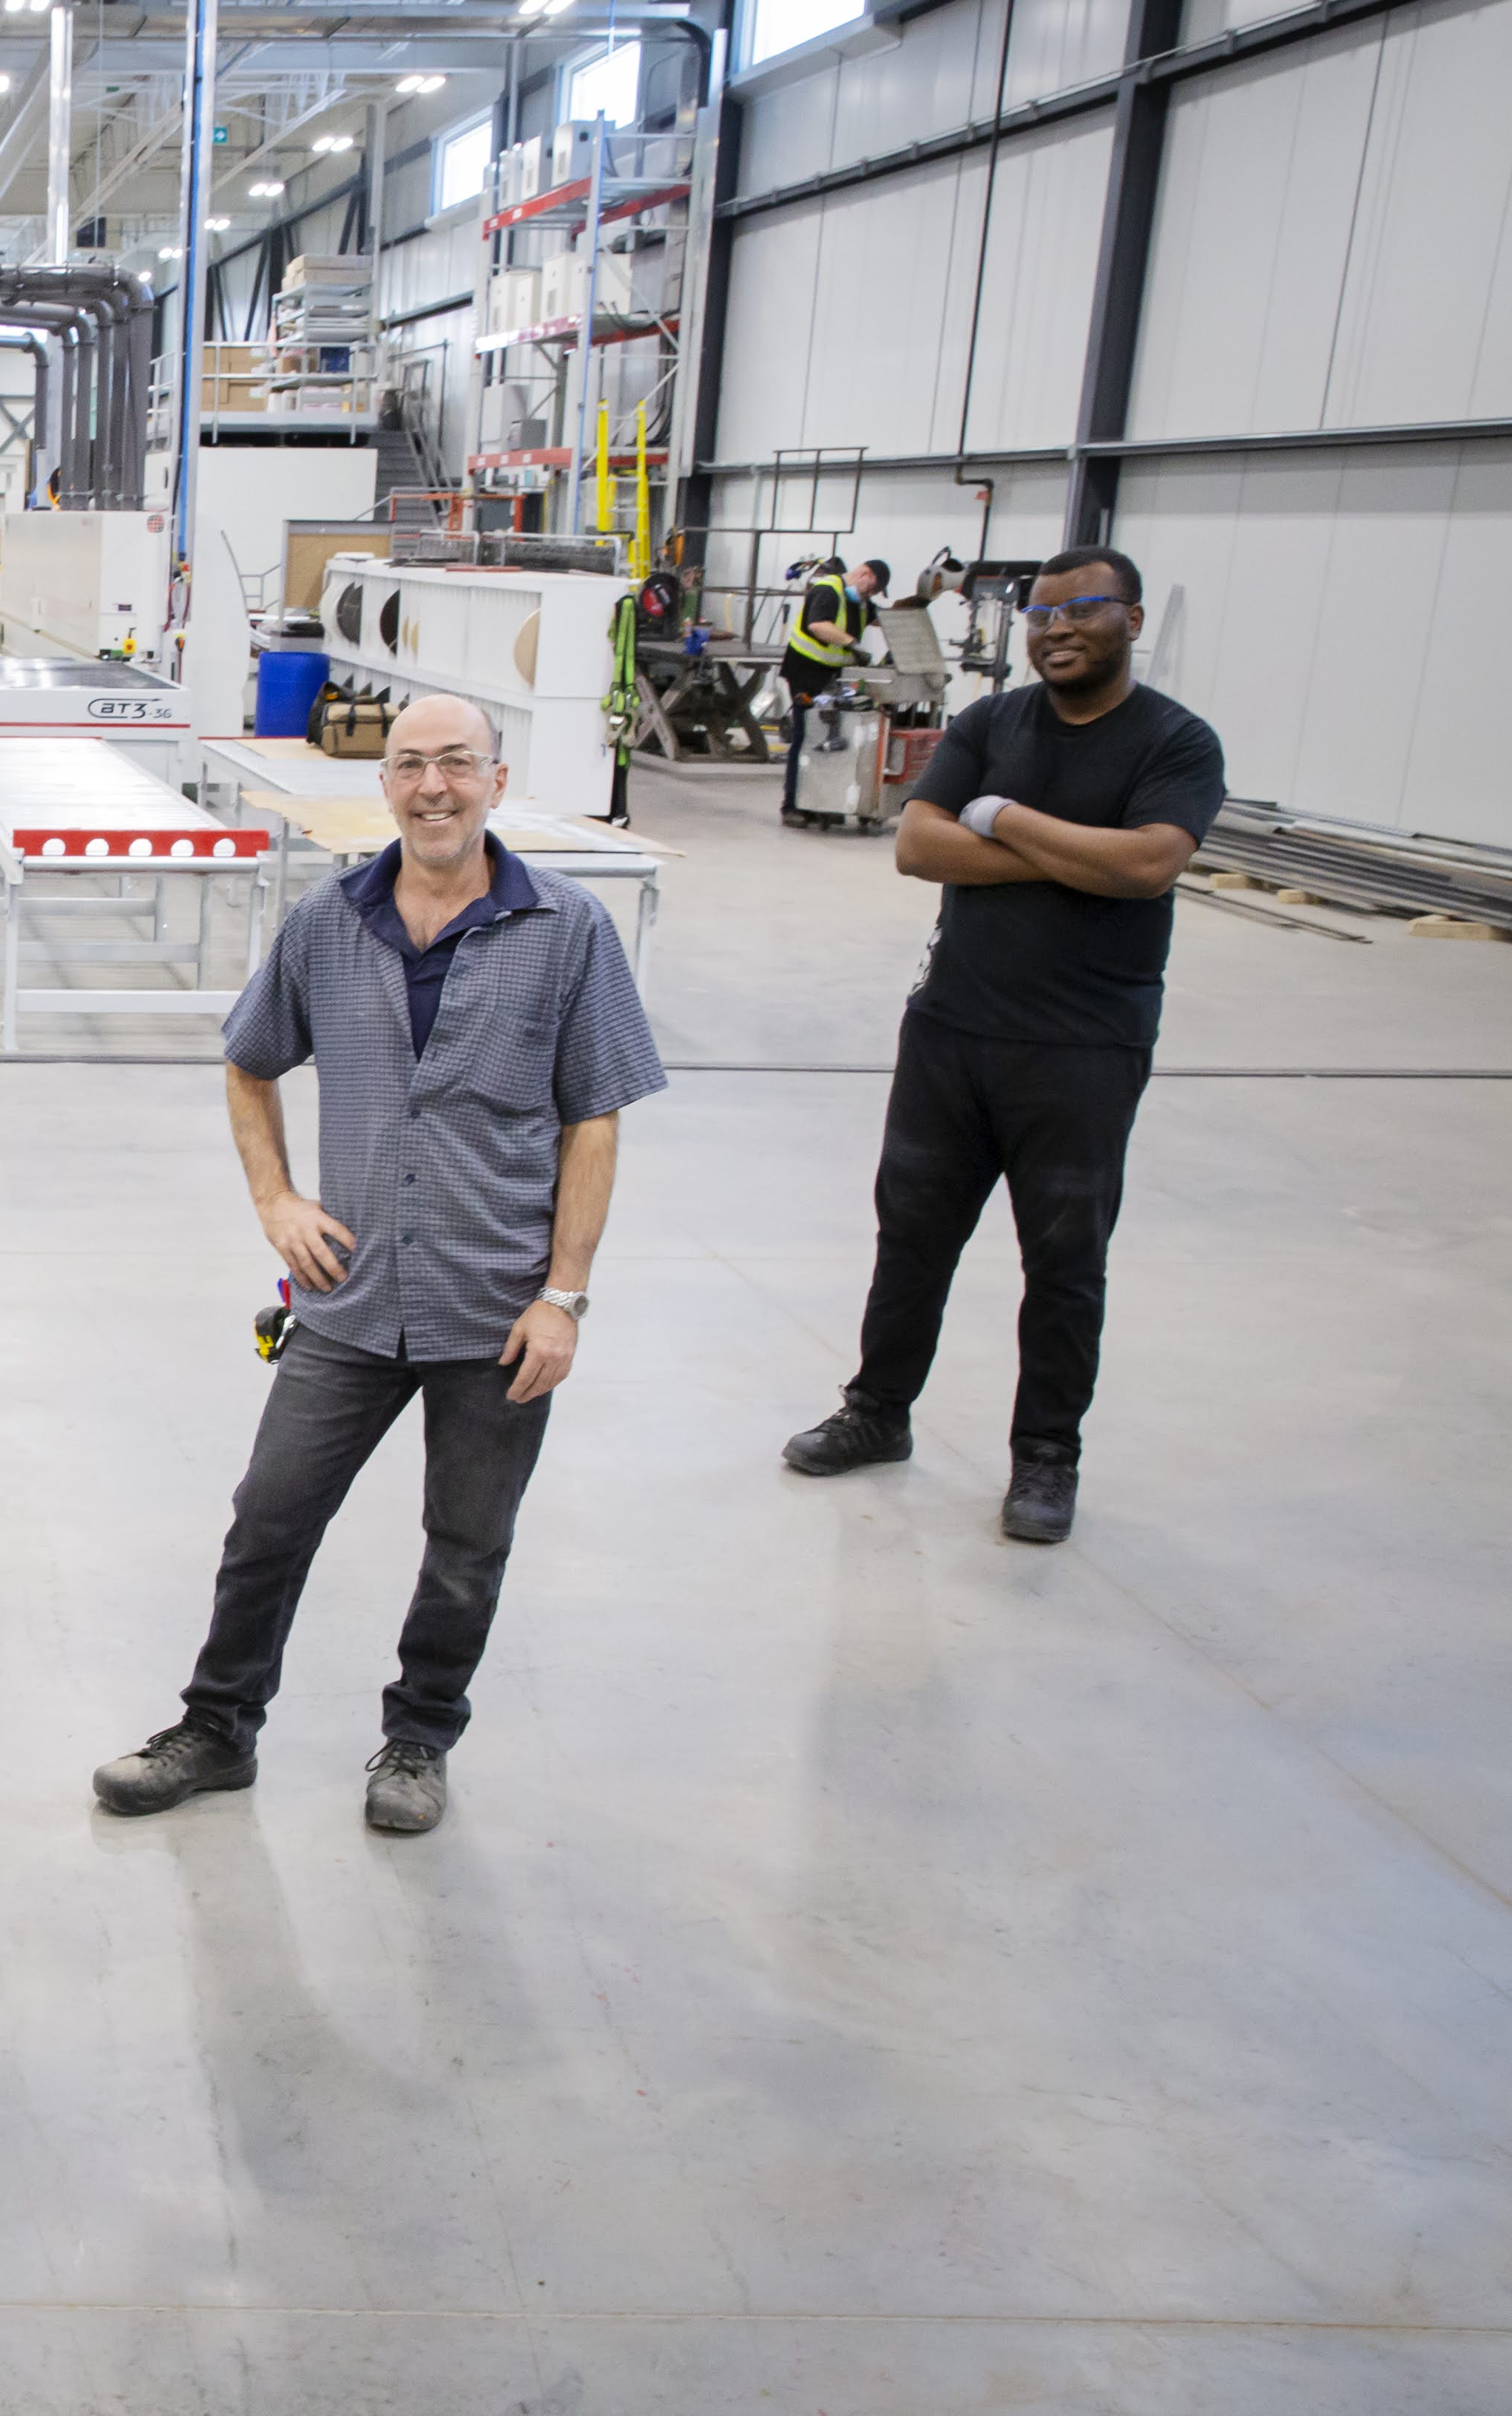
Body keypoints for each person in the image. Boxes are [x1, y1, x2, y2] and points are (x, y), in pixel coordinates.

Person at [92, 694, 666, 1835]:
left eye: (455, 762)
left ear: (496, 780)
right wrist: (275, 1199)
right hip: (347, 1297)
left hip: (496, 1305)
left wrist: (563, 1296)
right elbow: (248, 1061)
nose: (431, 786)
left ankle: (418, 1738)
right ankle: (217, 1727)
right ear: (384, 783)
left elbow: (592, 1120)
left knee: (465, 1546)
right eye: (409, 764)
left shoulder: (568, 928)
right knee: (267, 1520)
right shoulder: (328, 919)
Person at [780, 546, 1224, 1545]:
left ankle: (1045, 1456)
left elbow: (1146, 865)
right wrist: (1074, 851)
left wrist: (1002, 818)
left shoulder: (1174, 741)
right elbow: (917, 845)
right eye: (1040, 614)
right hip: (950, 1029)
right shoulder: (989, 723)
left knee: (1063, 1260)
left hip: (1083, 1045)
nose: (1056, 628)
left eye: (1082, 608)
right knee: (911, 1237)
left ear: (1130, 620)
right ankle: (876, 1411)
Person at [780, 555, 887, 820]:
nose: (871, 595)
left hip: (833, 678)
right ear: (864, 573)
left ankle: (822, 804)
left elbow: (884, 619)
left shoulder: (861, 603)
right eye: (872, 588)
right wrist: (852, 644)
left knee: (832, 738)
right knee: (806, 736)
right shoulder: (828, 591)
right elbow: (818, 625)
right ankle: (792, 805)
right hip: (806, 674)